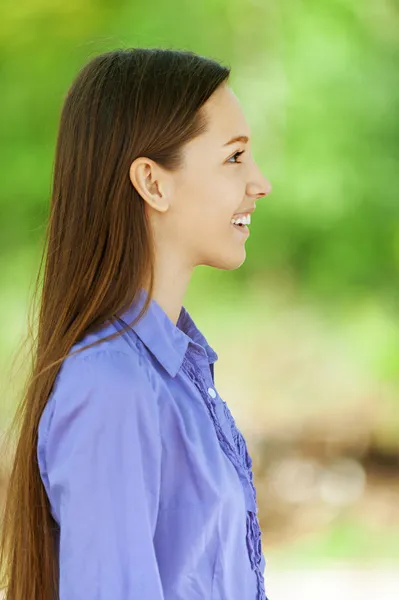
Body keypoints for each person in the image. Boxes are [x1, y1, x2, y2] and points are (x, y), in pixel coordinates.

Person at [0, 47, 271, 600]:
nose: (260, 182)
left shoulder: (180, 374)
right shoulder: (112, 386)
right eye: (234, 157)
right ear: (152, 182)